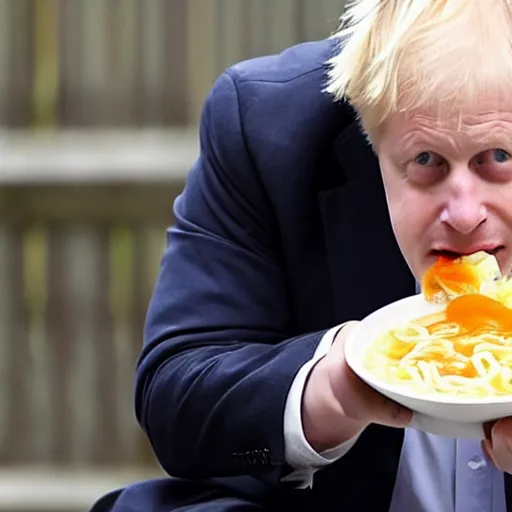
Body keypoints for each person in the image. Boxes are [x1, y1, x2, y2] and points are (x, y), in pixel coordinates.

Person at [91, 1, 512, 510]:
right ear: (373, 139)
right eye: (426, 160)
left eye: (499, 157)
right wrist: (331, 387)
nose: (465, 215)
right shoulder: (270, 126)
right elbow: (178, 391)